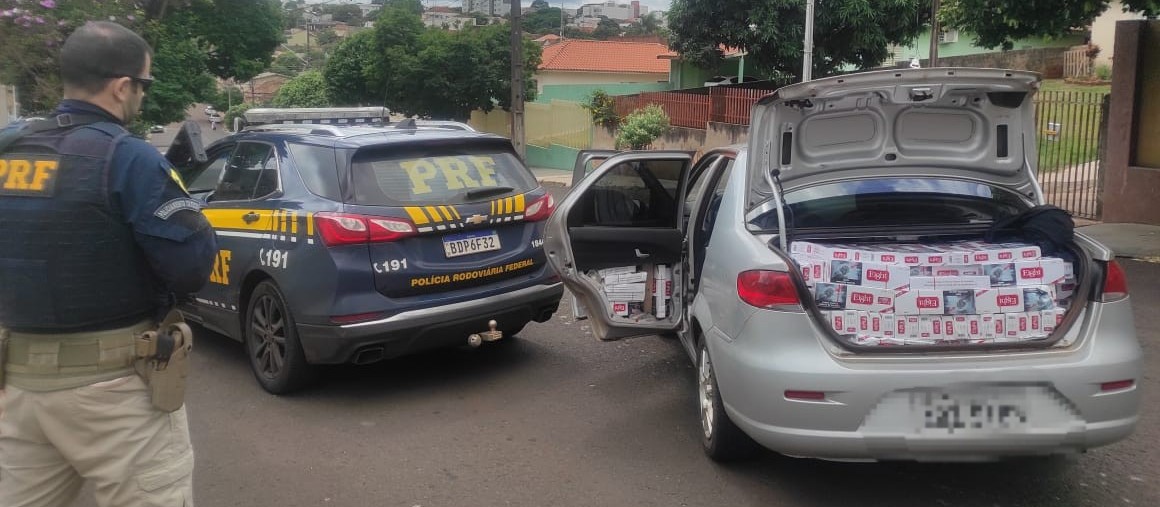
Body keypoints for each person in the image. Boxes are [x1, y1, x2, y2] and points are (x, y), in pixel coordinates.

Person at [0, 21, 217, 507]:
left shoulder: (9, 146)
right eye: (145, 85)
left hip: (18, 388)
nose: (142, 95)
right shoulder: (128, 157)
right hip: (112, 389)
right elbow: (191, 266)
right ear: (123, 86)